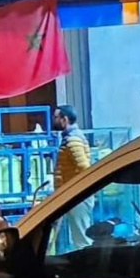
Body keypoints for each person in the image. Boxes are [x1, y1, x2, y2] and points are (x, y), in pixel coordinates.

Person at [53, 105, 92, 250]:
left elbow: (84, 167)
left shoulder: (73, 140)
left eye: (56, 117)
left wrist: (75, 189)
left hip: (77, 196)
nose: (54, 120)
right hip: (73, 194)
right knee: (78, 237)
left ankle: (86, 262)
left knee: (81, 239)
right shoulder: (70, 138)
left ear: (64, 119)